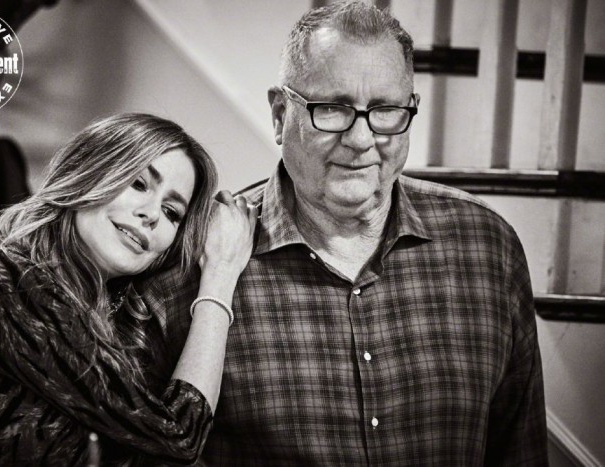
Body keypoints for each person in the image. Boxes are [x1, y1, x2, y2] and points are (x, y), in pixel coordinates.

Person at [138, 2, 548, 465]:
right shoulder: (191, 263)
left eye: (385, 110)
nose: (360, 139)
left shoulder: (488, 248)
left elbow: (521, 452)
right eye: (332, 108)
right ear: (280, 115)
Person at [0, 113, 257, 465]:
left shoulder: (118, 329)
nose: (152, 214)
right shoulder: (3, 277)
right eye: (138, 183)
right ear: (88, 172)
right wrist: (221, 273)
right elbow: (178, 436)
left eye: (171, 212)